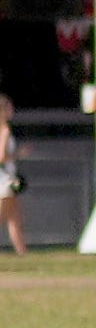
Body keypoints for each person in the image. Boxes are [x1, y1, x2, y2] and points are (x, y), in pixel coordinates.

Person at [0, 93, 25, 256]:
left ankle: (22, 251)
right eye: (8, 108)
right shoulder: (5, 129)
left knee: (14, 217)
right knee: (5, 214)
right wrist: (18, 154)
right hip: (5, 177)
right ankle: (21, 251)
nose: (11, 111)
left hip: (6, 176)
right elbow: (2, 156)